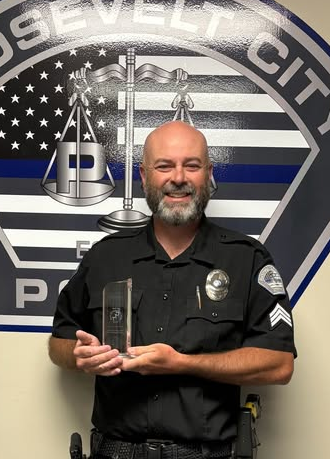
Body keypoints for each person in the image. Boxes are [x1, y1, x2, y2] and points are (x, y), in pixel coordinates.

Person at [49, 120, 296, 459]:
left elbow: (279, 364)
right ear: (144, 175)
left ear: (208, 174)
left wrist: (182, 363)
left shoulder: (246, 259)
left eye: (191, 166)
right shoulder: (105, 257)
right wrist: (78, 356)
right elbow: (59, 343)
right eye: (164, 166)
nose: (178, 178)